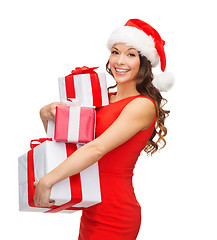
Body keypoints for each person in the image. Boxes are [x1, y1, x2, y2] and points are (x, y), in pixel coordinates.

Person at [34, 18, 173, 240]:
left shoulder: (142, 105)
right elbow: (68, 144)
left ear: (144, 62)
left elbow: (96, 148)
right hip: (91, 207)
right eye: (115, 52)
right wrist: (46, 114)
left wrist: (48, 180)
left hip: (115, 212)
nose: (120, 61)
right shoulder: (103, 98)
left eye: (131, 54)